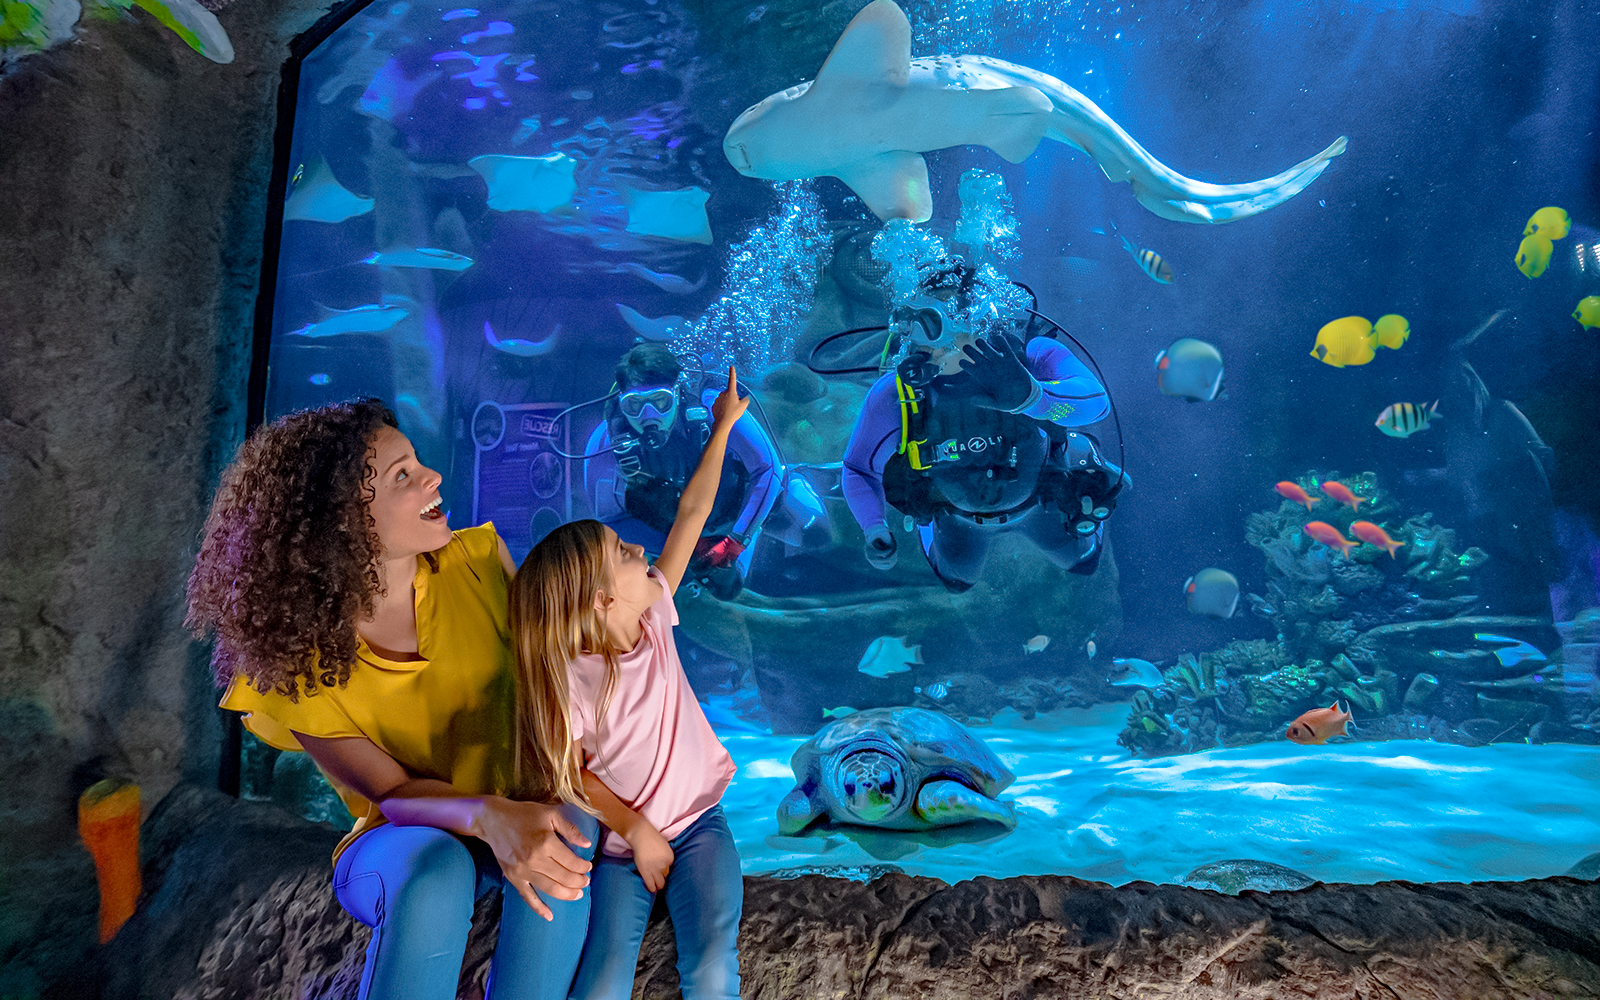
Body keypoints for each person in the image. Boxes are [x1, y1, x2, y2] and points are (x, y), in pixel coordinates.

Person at [185, 399, 597, 1000]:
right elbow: (394, 794)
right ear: (339, 520)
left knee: (571, 826)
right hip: (405, 837)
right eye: (401, 475)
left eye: (417, 463)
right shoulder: (297, 663)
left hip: (517, 808)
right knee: (436, 873)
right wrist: (489, 817)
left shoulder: (483, 562)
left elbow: (565, 694)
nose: (431, 476)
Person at [511, 368, 748, 1000]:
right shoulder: (571, 676)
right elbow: (571, 770)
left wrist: (723, 426)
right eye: (623, 552)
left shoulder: (654, 614)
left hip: (701, 824)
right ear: (597, 600)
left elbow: (692, 514)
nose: (643, 552)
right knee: (605, 982)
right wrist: (637, 831)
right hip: (619, 846)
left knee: (713, 967)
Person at [841, 264, 1125, 591]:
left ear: (973, 317)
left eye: (932, 319)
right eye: (911, 320)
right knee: (957, 580)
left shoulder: (1031, 355)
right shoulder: (897, 394)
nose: (918, 337)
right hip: (958, 517)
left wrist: (1036, 398)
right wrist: (874, 527)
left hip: (1041, 499)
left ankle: (1078, 454)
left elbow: (1097, 404)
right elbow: (858, 468)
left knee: (1082, 562)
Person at [581, 344, 780, 599]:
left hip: (738, 510)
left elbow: (768, 470)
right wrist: (688, 550)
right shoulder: (605, 443)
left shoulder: (713, 407)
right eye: (634, 406)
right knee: (724, 590)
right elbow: (609, 521)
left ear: (677, 393)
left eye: (660, 401)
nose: (648, 416)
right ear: (621, 403)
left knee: (814, 529)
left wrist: (736, 539)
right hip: (673, 533)